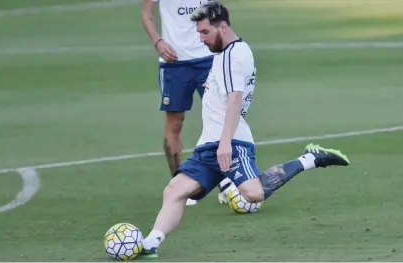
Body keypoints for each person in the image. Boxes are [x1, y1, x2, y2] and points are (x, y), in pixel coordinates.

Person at [140, 1, 350, 258]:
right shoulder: (225, 54)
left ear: (223, 27)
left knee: (253, 193)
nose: (201, 39)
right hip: (208, 145)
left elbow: (235, 99)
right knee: (174, 191)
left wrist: (226, 142)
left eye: (205, 32)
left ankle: (309, 159)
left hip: (233, 143)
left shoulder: (233, 55)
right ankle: (151, 243)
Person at [141, 0, 234, 206]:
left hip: (208, 59)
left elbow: (219, 15)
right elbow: (147, 15)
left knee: (221, 116)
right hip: (174, 63)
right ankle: (179, 183)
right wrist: (158, 42)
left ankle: (227, 180)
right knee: (174, 123)